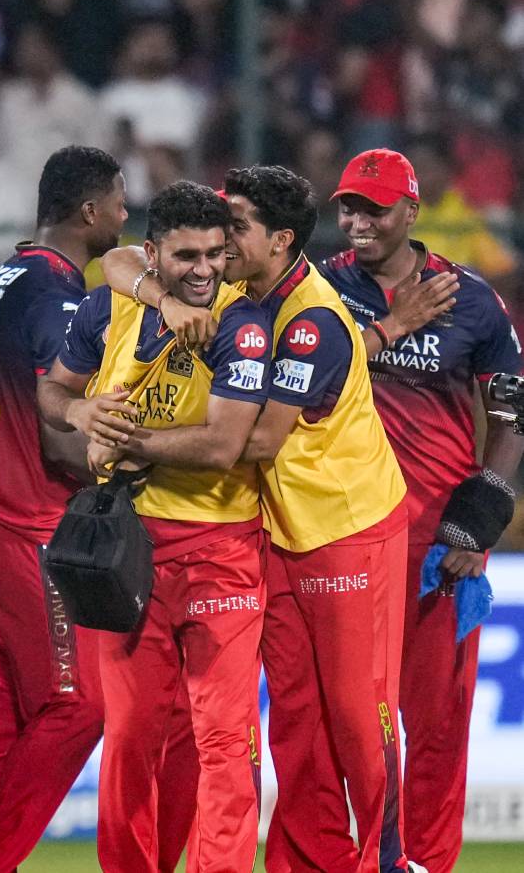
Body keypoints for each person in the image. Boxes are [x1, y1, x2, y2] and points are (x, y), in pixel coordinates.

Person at [108, 165, 415, 872]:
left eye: (236, 227)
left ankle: (388, 859)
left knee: (358, 713)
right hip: (277, 532)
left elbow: (255, 443)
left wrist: (133, 442)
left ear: (279, 240)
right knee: (298, 716)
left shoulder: (311, 322)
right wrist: (162, 297)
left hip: (346, 532)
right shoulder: (240, 293)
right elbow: (118, 259)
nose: (220, 242)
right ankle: (311, 860)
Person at [41, 181, 271, 872]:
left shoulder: (241, 323)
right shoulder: (109, 305)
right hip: (128, 553)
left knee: (225, 738)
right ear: (153, 255)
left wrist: (124, 440)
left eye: (215, 254)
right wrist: (80, 414)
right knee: (131, 737)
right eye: (186, 256)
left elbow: (223, 446)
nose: (204, 270)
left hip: (220, 548)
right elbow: (51, 389)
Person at [0, 146, 128, 871]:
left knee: (3, 716)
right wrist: (136, 454)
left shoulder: (8, 276)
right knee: (79, 705)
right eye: (119, 202)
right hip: (30, 520)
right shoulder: (60, 297)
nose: (125, 215)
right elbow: (58, 437)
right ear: (90, 211)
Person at [319, 149, 522, 872]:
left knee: (437, 723)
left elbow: (512, 410)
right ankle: (365, 858)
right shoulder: (319, 289)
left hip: (439, 544)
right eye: (349, 207)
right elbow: (299, 380)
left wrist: (483, 514)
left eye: (375, 209)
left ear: (411, 211)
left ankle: (429, 862)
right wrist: (393, 325)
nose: (358, 221)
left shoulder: (471, 300)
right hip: (340, 536)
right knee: (348, 722)